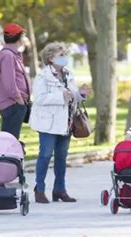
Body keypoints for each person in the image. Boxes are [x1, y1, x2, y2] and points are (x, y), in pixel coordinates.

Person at [30, 42, 92, 203]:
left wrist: (81, 94)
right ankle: (40, 189)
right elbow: (39, 98)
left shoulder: (68, 74)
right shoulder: (43, 76)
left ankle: (60, 189)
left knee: (61, 157)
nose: (64, 58)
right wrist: (60, 97)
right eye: (61, 55)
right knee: (45, 155)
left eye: (65, 54)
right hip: (49, 123)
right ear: (50, 58)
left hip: (66, 122)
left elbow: (72, 96)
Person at [0, 23, 30, 139]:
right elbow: (9, 83)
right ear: (19, 38)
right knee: (10, 140)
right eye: (23, 36)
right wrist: (19, 100)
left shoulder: (13, 55)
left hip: (18, 103)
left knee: (12, 139)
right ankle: (7, 158)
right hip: (13, 104)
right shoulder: (8, 56)